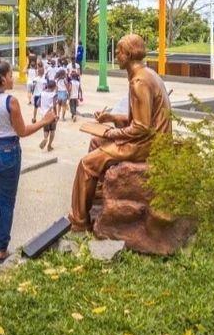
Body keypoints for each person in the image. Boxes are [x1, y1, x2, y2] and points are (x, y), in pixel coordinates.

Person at [70, 34, 173, 232]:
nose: (116, 55)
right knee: (95, 141)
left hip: (147, 145)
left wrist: (111, 134)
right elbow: (142, 119)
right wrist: (111, 118)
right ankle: (98, 193)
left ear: (129, 54)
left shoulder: (139, 82)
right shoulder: (147, 74)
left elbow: (141, 127)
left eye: (119, 52)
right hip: (150, 139)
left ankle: (79, 220)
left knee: (86, 164)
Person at [0, 58, 54, 264]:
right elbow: (22, 131)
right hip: (8, 151)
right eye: (10, 75)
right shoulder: (10, 101)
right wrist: (44, 121)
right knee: (7, 200)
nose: (13, 78)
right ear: (2, 79)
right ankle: (2, 249)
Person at [38, 79, 58, 152]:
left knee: (46, 129)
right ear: (54, 87)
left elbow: (39, 103)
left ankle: (45, 138)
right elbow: (54, 105)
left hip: (44, 115)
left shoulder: (42, 93)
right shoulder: (54, 94)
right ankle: (49, 145)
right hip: (51, 114)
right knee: (52, 130)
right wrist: (56, 115)